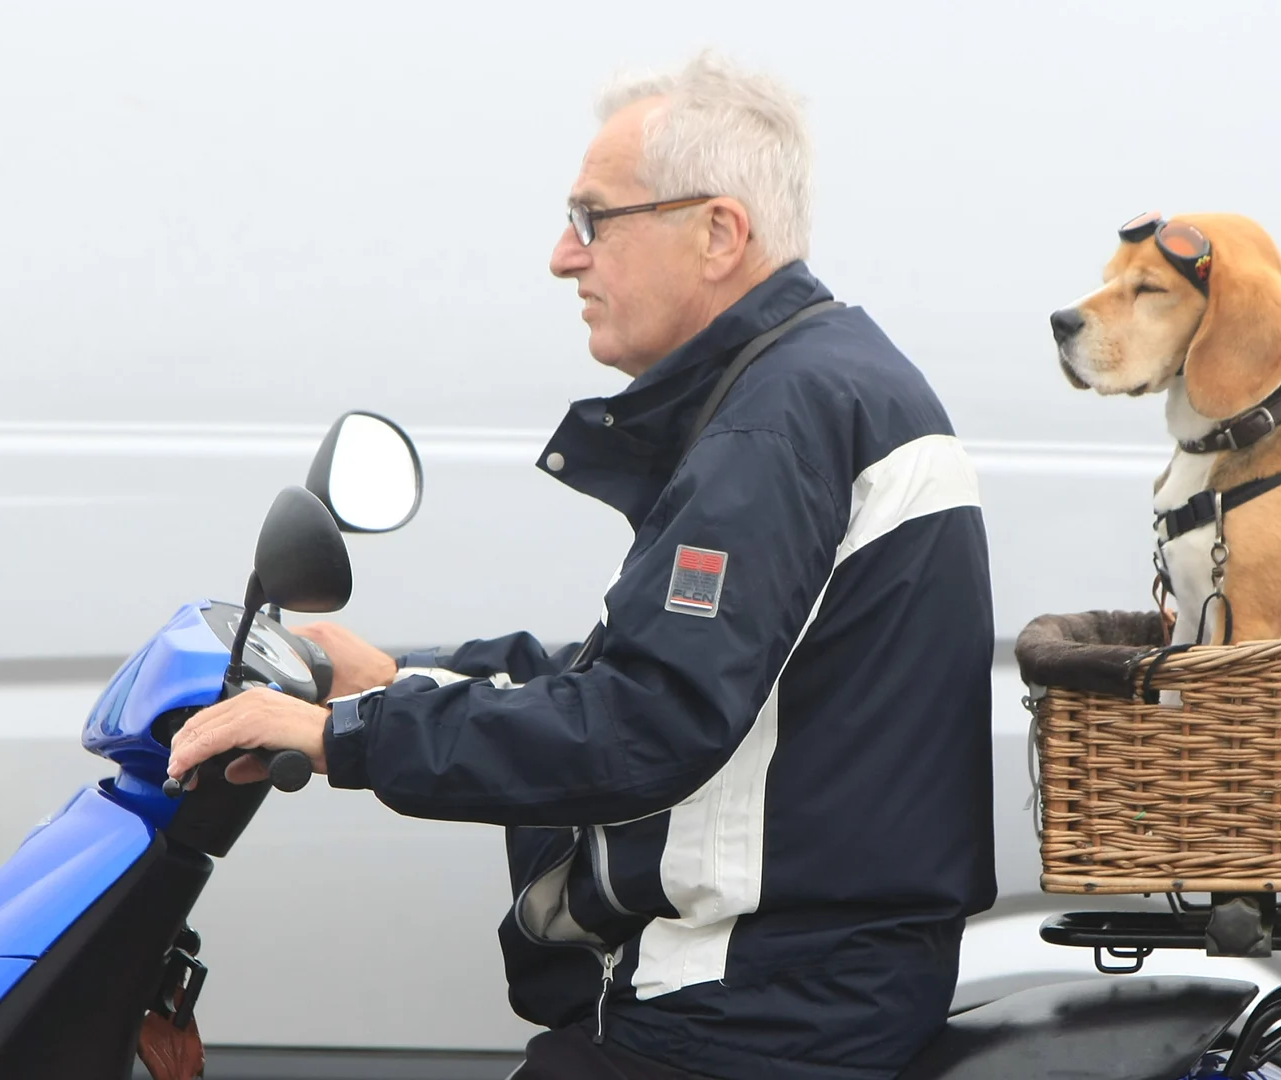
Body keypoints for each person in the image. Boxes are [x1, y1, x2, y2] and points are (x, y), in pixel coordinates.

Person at [166, 50, 995, 1080]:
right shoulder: (820, 389)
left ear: (719, 234)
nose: (565, 256)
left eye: (594, 219)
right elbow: (641, 676)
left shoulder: (779, 425)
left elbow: (650, 722)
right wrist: (392, 676)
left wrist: (343, 738)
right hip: (812, 987)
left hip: (754, 1016)